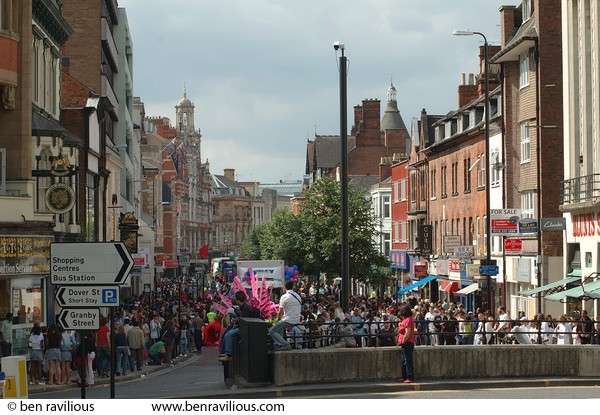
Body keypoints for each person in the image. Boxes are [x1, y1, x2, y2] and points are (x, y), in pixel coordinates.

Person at [218, 291, 257, 361]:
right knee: (225, 333)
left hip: (244, 328)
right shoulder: (242, 307)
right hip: (241, 326)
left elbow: (244, 321)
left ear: (238, 300)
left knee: (228, 335)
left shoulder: (246, 307)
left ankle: (228, 354)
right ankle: (223, 352)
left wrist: (236, 322)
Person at [268, 280, 302, 351]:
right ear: (293, 287)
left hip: (289, 319)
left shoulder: (284, 297)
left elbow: (280, 312)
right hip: (297, 319)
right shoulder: (298, 296)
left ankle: (284, 344)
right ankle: (281, 344)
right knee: (279, 328)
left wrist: (278, 320)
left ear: (284, 287)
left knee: (272, 330)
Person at [397, 305, 415, 383]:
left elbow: (407, 332)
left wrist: (403, 341)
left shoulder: (408, 320)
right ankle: (404, 376)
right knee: (404, 360)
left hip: (407, 342)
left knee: (408, 360)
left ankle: (409, 376)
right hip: (405, 342)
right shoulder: (406, 320)